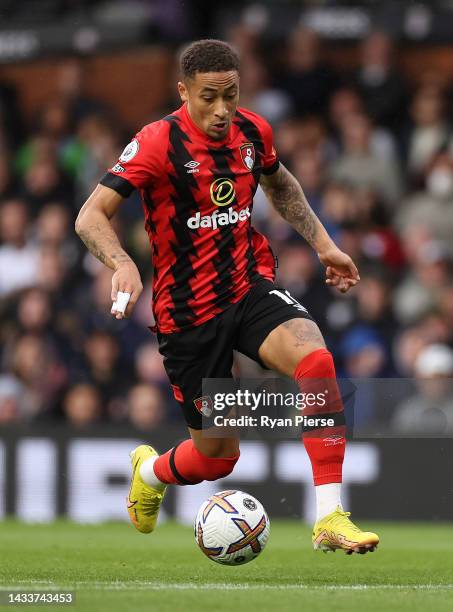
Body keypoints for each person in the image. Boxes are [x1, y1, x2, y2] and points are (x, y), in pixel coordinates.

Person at [75, 39, 378, 554]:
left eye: (231, 95)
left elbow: (280, 186)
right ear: (184, 92)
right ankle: (149, 471)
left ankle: (329, 515)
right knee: (216, 458)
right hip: (188, 314)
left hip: (247, 283)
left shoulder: (253, 131)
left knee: (317, 359)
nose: (221, 110)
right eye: (208, 97)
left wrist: (326, 246)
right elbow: (89, 215)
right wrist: (123, 262)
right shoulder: (156, 142)